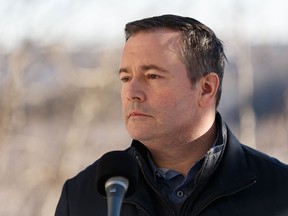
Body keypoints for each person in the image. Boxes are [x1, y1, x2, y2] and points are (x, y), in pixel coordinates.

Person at [55, 14, 288, 216]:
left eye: (152, 76)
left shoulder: (280, 191)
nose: (132, 93)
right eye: (126, 78)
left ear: (206, 88)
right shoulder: (80, 197)